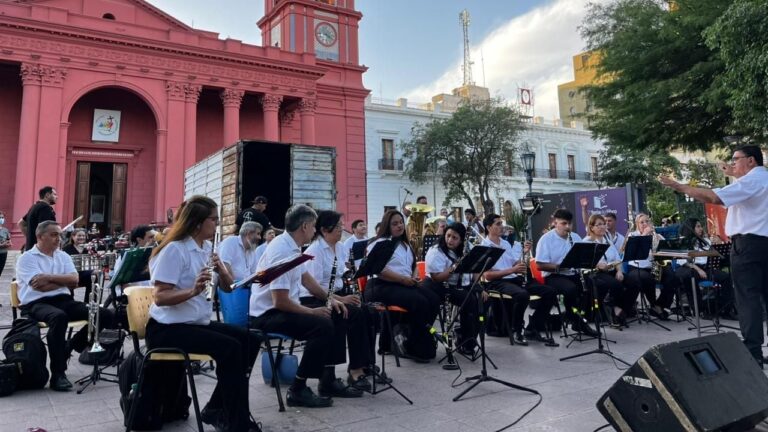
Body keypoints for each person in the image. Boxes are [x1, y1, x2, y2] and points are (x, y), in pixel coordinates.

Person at [147, 196, 262, 431]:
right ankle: (235, 422)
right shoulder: (174, 250)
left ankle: (216, 408)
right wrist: (192, 291)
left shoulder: (208, 248)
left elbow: (228, 288)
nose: (217, 224)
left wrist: (222, 270)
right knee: (231, 348)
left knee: (250, 339)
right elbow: (160, 297)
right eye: (214, 220)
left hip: (194, 323)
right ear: (198, 222)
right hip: (167, 329)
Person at [660, 144, 768, 365]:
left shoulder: (752, 181)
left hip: (748, 245)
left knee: (748, 299)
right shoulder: (761, 179)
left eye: (736, 159)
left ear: (751, 160)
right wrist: (734, 175)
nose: (732, 163)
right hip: (763, 243)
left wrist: (680, 186)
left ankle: (753, 353)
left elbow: (714, 197)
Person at [249, 204, 356, 408]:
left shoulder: (292, 246)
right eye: (314, 226)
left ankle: (328, 379)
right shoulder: (281, 251)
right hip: (267, 315)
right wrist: (312, 311)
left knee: (337, 312)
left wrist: (331, 299)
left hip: (281, 309)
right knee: (321, 325)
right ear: (305, 227)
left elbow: (307, 280)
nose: (315, 230)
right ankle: (298, 389)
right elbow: (279, 301)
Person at [15, 221, 114, 391]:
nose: (59, 239)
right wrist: (62, 281)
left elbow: (74, 280)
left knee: (104, 314)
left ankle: (71, 346)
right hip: (35, 303)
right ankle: (58, 374)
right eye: (54, 235)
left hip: (64, 300)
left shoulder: (63, 256)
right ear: (40, 236)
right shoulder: (26, 258)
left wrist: (48, 277)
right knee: (58, 317)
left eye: (60, 235)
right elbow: (38, 286)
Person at [302, 210, 372, 392]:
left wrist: (348, 293)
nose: (342, 229)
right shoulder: (315, 251)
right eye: (338, 226)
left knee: (366, 311)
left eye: (341, 225)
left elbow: (342, 274)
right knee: (348, 313)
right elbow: (314, 287)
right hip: (314, 298)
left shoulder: (340, 247)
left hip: (335, 294)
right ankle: (340, 375)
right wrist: (341, 299)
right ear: (324, 230)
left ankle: (363, 364)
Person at [365, 210, 442, 362]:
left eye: (401, 222)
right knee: (419, 302)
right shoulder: (379, 243)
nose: (400, 226)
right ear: (387, 226)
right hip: (381, 286)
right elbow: (379, 270)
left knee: (434, 299)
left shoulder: (405, 244)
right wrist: (402, 279)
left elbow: (413, 265)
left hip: (402, 284)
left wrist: (414, 276)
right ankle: (412, 345)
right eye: (395, 224)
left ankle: (412, 335)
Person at [482, 214, 558, 344]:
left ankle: (532, 327)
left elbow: (513, 263)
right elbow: (487, 275)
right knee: (522, 295)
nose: (502, 226)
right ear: (489, 227)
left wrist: (525, 252)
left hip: (513, 279)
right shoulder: (485, 246)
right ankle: (516, 330)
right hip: (497, 282)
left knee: (550, 292)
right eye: (498, 224)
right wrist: (512, 270)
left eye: (501, 223)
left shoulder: (505, 243)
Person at [535, 209, 598, 337]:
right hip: (553, 275)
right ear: (555, 223)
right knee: (571, 289)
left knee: (590, 284)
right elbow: (539, 265)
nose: (568, 227)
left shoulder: (575, 237)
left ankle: (578, 319)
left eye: (570, 223)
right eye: (564, 223)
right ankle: (575, 319)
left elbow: (581, 258)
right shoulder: (546, 239)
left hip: (572, 273)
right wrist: (560, 267)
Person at [422, 223, 481, 354]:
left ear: (461, 240)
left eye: (455, 238)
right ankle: (465, 342)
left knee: (482, 300)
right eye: (448, 236)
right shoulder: (436, 251)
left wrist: (479, 286)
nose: (450, 240)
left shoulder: (467, 247)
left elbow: (475, 270)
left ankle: (467, 338)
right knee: (469, 300)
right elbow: (437, 278)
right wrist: (455, 267)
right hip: (437, 285)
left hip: (460, 285)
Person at [674, 218, 735, 319]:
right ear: (691, 228)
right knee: (690, 276)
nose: (701, 229)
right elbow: (683, 261)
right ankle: (699, 310)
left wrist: (718, 243)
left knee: (726, 277)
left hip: (706, 267)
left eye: (700, 226)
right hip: (690, 268)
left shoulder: (705, 241)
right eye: (698, 226)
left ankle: (725, 309)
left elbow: (718, 257)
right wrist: (698, 270)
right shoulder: (683, 242)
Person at [623, 213, 679, 320]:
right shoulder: (632, 235)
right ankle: (654, 305)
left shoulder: (656, 235)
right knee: (647, 278)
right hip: (637, 267)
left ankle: (661, 305)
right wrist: (644, 235)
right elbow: (631, 250)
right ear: (637, 224)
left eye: (647, 221)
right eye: (642, 222)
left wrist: (658, 238)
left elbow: (668, 250)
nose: (645, 224)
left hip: (654, 266)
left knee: (672, 277)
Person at [581, 214, 632, 327]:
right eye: (599, 225)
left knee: (633, 282)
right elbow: (584, 262)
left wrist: (619, 271)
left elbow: (617, 259)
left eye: (603, 224)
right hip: (595, 273)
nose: (603, 226)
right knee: (615, 284)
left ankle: (621, 308)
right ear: (591, 227)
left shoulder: (607, 240)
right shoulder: (586, 241)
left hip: (611, 270)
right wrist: (597, 264)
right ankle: (613, 309)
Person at [22, 186, 58, 252]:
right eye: (54, 194)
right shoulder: (45, 208)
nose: (57, 197)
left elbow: (21, 223)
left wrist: (30, 238)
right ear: (47, 195)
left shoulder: (35, 206)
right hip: (42, 249)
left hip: (32, 247)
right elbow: (46, 229)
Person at [62, 228, 93, 301]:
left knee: (94, 277)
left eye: (83, 236)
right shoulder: (66, 248)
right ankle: (70, 301)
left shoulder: (88, 248)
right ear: (73, 237)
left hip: (84, 274)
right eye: (79, 235)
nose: (81, 237)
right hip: (71, 274)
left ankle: (89, 301)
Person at [0, 211, 11, 279]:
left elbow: (9, 240)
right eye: (0, 217)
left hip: (3, 253)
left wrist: (8, 243)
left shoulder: (5, 230)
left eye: (2, 217)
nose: (1, 219)